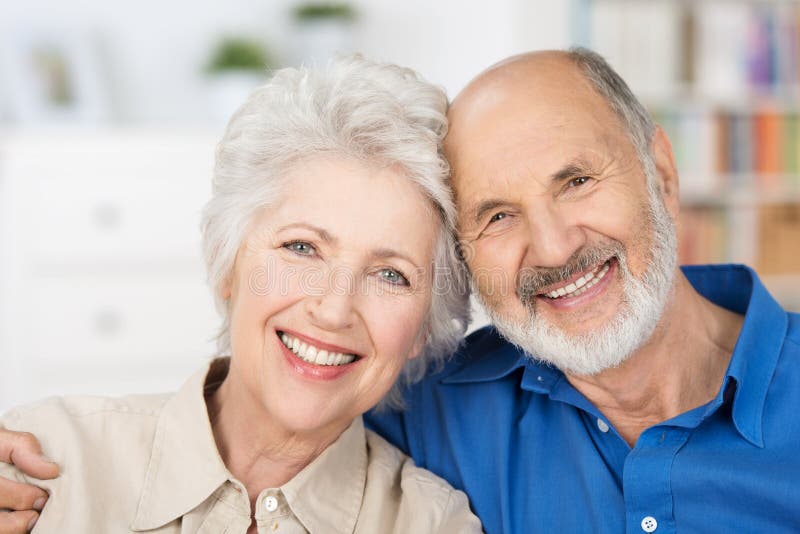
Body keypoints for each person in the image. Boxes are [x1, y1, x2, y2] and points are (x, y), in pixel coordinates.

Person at [4, 47, 800, 533]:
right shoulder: (45, 462)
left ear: (662, 170)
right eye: (497, 215)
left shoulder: (427, 509)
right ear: (224, 258)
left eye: (579, 180)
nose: (554, 246)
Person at [0, 55, 482, 533]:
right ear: (228, 262)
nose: (334, 310)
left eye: (391, 275)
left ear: (424, 326)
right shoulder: (48, 456)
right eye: (301, 247)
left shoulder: (432, 523)